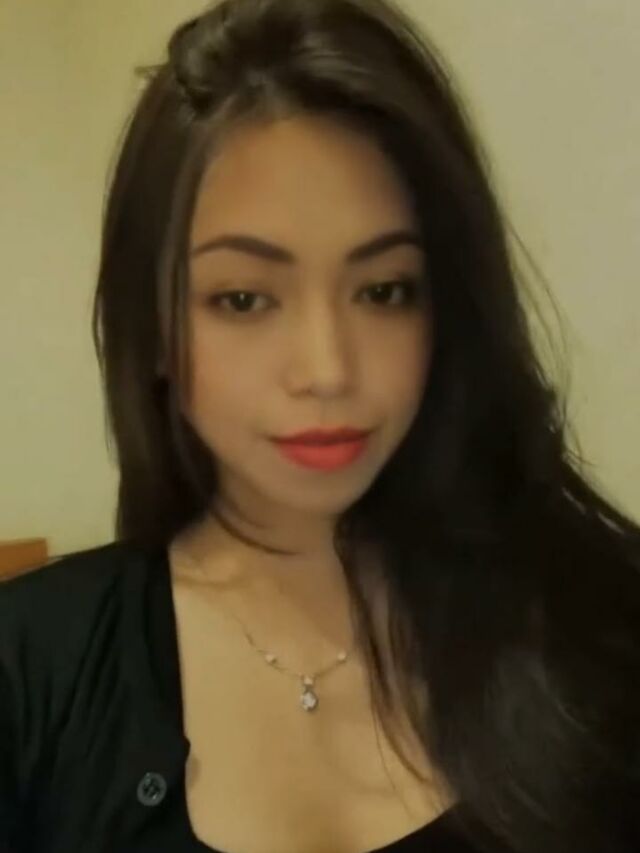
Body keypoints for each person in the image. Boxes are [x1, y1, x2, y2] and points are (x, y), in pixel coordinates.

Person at [1, 0, 639, 851]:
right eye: (243, 298)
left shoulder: (593, 622)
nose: (328, 368)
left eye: (384, 290)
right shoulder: (32, 668)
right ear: (152, 326)